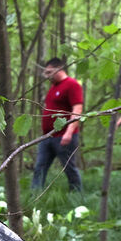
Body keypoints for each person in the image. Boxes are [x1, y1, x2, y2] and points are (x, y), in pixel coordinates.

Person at [32, 57, 84, 193]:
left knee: (69, 168)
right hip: (47, 137)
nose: (46, 76)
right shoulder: (53, 87)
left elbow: (77, 109)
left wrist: (68, 133)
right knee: (39, 167)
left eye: (49, 72)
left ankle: (77, 195)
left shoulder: (72, 85)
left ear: (59, 69)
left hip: (64, 136)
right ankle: (34, 196)